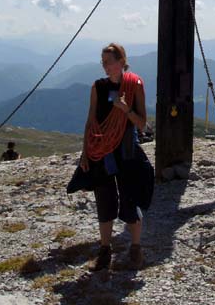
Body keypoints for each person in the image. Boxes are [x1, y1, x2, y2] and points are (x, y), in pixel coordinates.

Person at [80, 43, 148, 272]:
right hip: (103, 151)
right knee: (105, 199)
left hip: (127, 149)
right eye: (103, 62)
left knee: (130, 198)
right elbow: (91, 120)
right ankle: (105, 251)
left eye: (108, 61)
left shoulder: (135, 85)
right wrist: (85, 151)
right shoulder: (97, 87)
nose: (105, 66)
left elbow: (142, 124)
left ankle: (136, 248)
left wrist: (125, 109)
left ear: (121, 61)